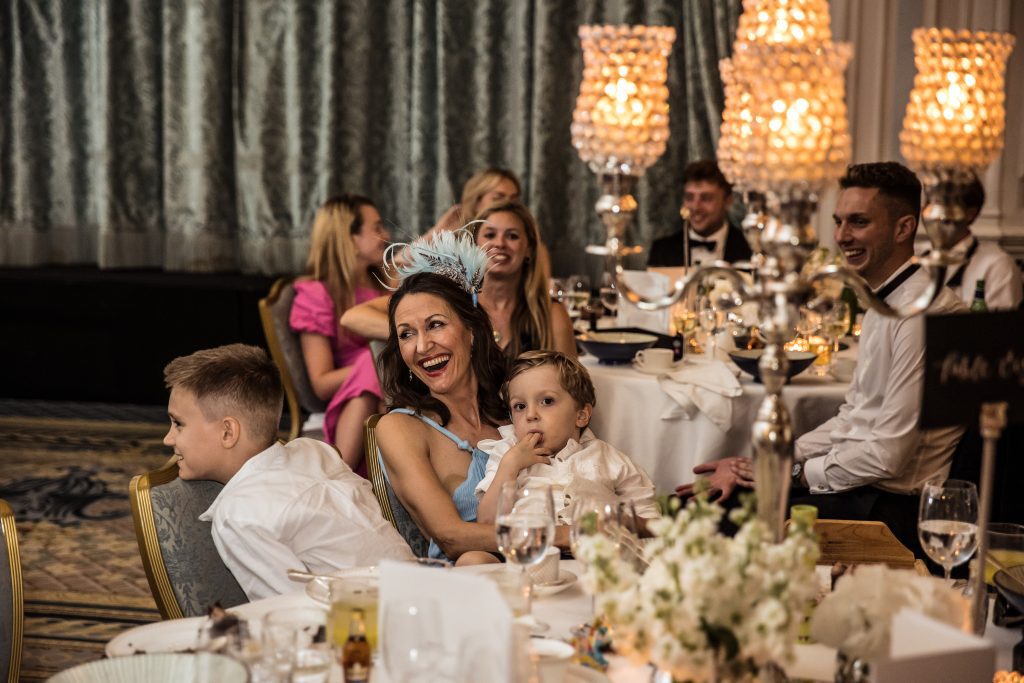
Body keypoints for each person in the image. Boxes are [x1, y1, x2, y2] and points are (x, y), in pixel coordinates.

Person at [675, 162, 965, 554]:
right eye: (839, 221)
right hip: (858, 488)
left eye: (858, 222)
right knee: (694, 505)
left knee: (710, 520)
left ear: (904, 228)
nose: (843, 236)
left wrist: (791, 474)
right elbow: (853, 416)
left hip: (892, 510)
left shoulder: (921, 313)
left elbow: (888, 456)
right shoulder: (885, 300)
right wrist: (768, 461)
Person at [162, 344, 414, 601]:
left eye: (178, 424)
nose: (167, 439)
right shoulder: (314, 450)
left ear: (228, 432)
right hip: (420, 588)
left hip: (376, 624)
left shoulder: (240, 515)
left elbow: (291, 612)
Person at [340, 201, 576, 359]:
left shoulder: (549, 313)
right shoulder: (449, 299)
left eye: (512, 236)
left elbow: (570, 388)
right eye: (490, 234)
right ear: (474, 243)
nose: (500, 243)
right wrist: (422, 334)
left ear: (529, 250)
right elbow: (352, 317)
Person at [474, 350, 660, 525]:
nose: (530, 415)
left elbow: (647, 514)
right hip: (528, 552)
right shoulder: (507, 454)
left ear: (580, 416)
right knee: (473, 559)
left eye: (547, 401)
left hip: (593, 552)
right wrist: (509, 467)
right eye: (520, 406)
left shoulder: (605, 457)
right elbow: (487, 522)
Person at [290, 194, 390, 470]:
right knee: (373, 365)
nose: (386, 234)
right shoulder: (316, 295)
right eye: (377, 227)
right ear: (349, 238)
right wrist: (374, 361)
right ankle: (340, 471)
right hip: (350, 401)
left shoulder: (382, 285)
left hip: (390, 389)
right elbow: (321, 383)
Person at [937, 172, 1022, 310]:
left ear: (970, 214)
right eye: (930, 203)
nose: (934, 213)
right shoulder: (917, 255)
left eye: (946, 205)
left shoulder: (997, 265)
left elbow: (1000, 327)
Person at [647, 159, 753, 267]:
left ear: (727, 202)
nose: (695, 207)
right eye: (689, 197)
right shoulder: (662, 250)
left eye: (706, 198)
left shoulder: (750, 248)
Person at [433, 168, 522, 233]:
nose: (508, 205)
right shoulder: (454, 242)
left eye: (513, 199)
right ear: (476, 203)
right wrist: (437, 232)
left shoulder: (523, 236)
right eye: (498, 198)